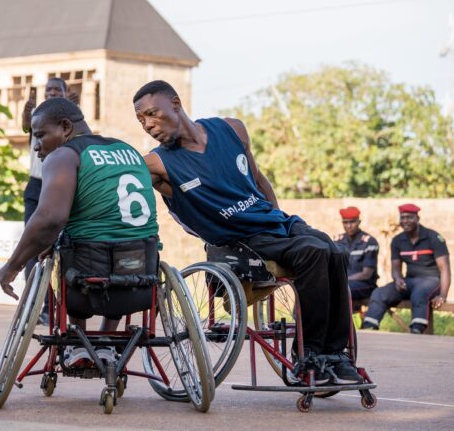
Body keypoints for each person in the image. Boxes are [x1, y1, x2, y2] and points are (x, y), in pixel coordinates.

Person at [132, 80, 361, 385]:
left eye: (152, 114)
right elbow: (121, 179)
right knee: (313, 251)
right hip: (238, 240)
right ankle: (310, 356)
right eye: (141, 120)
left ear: (175, 103)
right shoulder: (158, 163)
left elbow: (258, 180)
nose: (148, 125)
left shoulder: (232, 129)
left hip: (275, 224)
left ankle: (336, 354)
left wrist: (278, 217)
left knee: (334, 250)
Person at [0, 98, 160, 369]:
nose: (36, 145)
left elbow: (50, 218)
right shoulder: (129, 150)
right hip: (142, 272)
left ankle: (78, 341)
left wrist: (11, 267)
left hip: (87, 276)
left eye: (39, 135)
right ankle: (107, 342)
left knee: (71, 247)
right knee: (114, 248)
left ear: (64, 127)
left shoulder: (63, 156)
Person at [20, 78, 67, 325]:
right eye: (48, 90)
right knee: (32, 246)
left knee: (60, 249)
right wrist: (26, 112)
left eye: (56, 90)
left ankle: (55, 307)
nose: (51, 93)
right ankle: (35, 304)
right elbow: (25, 124)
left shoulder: (67, 120)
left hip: (60, 184)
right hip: (37, 184)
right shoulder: (36, 118)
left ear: (64, 93)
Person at [362, 204, 450, 334]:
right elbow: (396, 268)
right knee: (380, 292)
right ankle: (369, 328)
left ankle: (417, 330)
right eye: (402, 218)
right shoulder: (398, 240)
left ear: (417, 218)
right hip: (409, 281)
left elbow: (445, 269)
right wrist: (397, 279)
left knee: (419, 292)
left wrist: (442, 295)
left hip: (431, 281)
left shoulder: (433, 238)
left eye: (409, 217)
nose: (405, 221)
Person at [334, 206, 379, 303]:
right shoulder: (337, 241)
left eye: (352, 222)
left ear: (359, 222)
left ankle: (341, 318)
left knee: (340, 290)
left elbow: (366, 275)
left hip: (365, 285)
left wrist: (343, 280)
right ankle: (299, 318)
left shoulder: (369, 242)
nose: (349, 226)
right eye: (345, 222)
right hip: (344, 283)